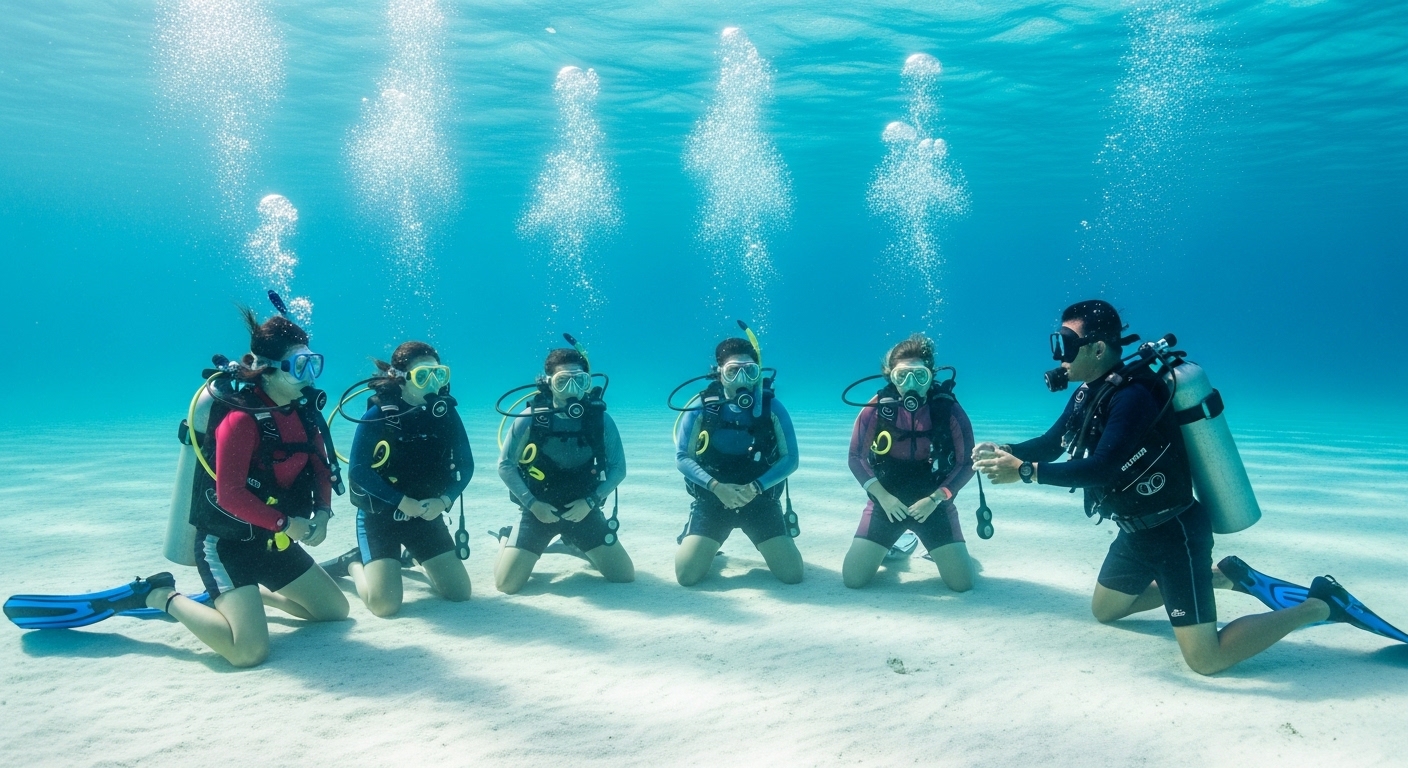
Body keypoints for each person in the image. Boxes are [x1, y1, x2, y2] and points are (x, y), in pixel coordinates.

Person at [972, 299, 1331, 675]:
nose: (1058, 354)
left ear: (1097, 349)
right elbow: (1052, 443)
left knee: (1206, 660)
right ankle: (1219, 577)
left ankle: (1319, 605)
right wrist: (1006, 450)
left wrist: (1026, 472)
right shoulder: (1088, 393)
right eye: (1056, 343)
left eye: (1064, 342)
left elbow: (1101, 469)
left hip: (1175, 534)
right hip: (1133, 532)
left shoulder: (1134, 396)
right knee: (1106, 611)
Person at [144, 307, 349, 667]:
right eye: (299, 366)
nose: (310, 376)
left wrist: (323, 512)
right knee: (248, 652)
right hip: (228, 545)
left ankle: (252, 596)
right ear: (268, 368)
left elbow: (320, 466)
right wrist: (287, 523)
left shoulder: (304, 412)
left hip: (271, 540)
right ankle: (159, 594)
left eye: (313, 364)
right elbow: (230, 494)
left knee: (334, 610)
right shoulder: (241, 419)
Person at [324, 341, 473, 616]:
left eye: (439, 374)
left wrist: (444, 500)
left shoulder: (446, 415)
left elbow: (467, 466)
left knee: (460, 593)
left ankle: (414, 555)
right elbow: (358, 471)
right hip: (380, 518)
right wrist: (400, 501)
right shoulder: (379, 414)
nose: (433, 383)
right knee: (385, 605)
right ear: (401, 379)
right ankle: (352, 564)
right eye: (422, 375)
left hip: (426, 516)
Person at [493, 345, 634, 593]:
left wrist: (591, 502)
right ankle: (507, 537)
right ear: (548, 383)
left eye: (579, 381)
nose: (572, 390)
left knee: (623, 575)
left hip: (584, 509)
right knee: (506, 585)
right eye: (563, 382)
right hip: (538, 510)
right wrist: (532, 504)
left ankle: (572, 541)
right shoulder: (530, 418)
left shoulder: (600, 420)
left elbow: (618, 469)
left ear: (588, 383)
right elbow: (505, 466)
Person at [842, 334, 975, 591]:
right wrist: (884, 497)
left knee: (962, 584)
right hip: (886, 501)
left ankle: (932, 546)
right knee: (853, 579)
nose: (910, 384)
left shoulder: (947, 410)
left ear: (931, 375)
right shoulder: (878, 407)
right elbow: (855, 457)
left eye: (920, 376)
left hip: (933, 501)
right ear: (890, 376)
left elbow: (966, 463)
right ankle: (895, 544)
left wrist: (936, 498)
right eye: (902, 376)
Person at [673, 336, 803, 586]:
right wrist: (716, 487)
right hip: (713, 499)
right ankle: (696, 537)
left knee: (793, 575)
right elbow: (682, 456)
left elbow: (791, 458)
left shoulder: (771, 407)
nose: (741, 379)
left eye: (749, 371)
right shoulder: (703, 407)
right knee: (687, 576)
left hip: (759, 499)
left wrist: (756, 487)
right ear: (719, 373)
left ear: (757, 373)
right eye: (733, 371)